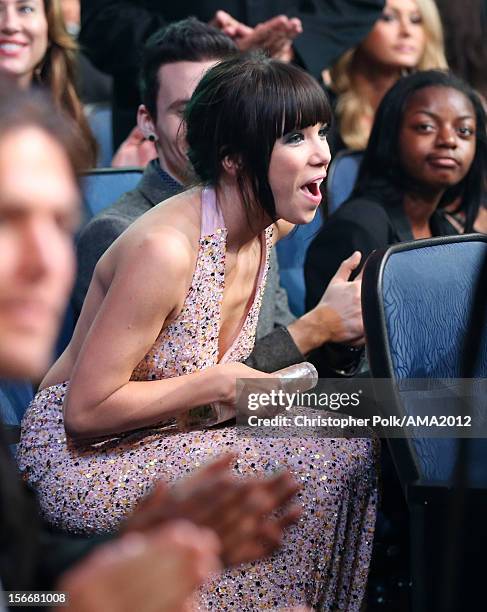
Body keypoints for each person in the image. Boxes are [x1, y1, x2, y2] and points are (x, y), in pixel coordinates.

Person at [18, 54, 378, 610]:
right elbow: (85, 413)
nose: (322, 153)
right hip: (83, 454)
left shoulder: (263, 223)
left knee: (351, 446)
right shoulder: (166, 250)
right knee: (297, 463)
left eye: (321, 132)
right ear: (233, 159)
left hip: (175, 430)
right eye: (295, 138)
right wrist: (215, 385)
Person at [74, 19, 365, 377]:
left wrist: (341, 334)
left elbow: (279, 355)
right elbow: (166, 389)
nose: (211, 122)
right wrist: (314, 327)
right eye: (189, 110)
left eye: (227, 105)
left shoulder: (259, 213)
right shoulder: (124, 232)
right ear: (147, 121)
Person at [79, 0, 385, 147]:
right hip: (174, 127)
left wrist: (296, 46)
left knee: (288, 260)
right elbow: (101, 21)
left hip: (285, 106)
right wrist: (192, 43)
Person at [306, 69, 487, 309]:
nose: (449, 140)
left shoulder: (444, 227)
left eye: (463, 131)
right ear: (391, 135)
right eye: (426, 126)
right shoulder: (358, 228)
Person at [328, 0, 447, 152]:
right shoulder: (326, 105)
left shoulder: (449, 108)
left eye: (416, 20)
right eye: (388, 18)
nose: (406, 31)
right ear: (358, 23)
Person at [0, 0, 97, 163]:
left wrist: (115, 178)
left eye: (25, 9)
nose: (10, 25)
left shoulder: (68, 120)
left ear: (49, 28)